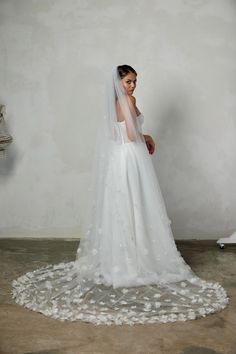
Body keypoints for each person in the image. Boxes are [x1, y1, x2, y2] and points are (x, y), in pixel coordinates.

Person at [11, 65, 229, 325]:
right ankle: (137, 260)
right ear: (118, 82)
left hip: (118, 159)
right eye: (128, 81)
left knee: (121, 205)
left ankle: (119, 259)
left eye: (135, 81)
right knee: (136, 203)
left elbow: (115, 135)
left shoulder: (112, 103)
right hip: (131, 157)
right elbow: (130, 134)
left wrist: (139, 133)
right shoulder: (128, 100)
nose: (133, 86)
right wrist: (145, 135)